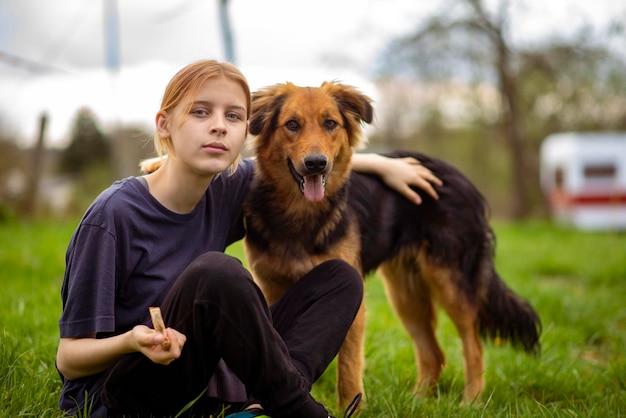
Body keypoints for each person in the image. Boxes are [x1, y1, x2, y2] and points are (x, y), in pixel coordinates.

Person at [56, 59, 442, 418]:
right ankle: (298, 409)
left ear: (246, 132)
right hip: (123, 397)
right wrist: (130, 341)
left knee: (340, 278)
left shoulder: (227, 186)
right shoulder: (112, 216)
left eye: (234, 116)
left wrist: (383, 165)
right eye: (200, 112)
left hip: (199, 379)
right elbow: (69, 359)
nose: (219, 126)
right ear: (164, 126)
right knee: (217, 272)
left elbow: (304, 155)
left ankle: (255, 408)